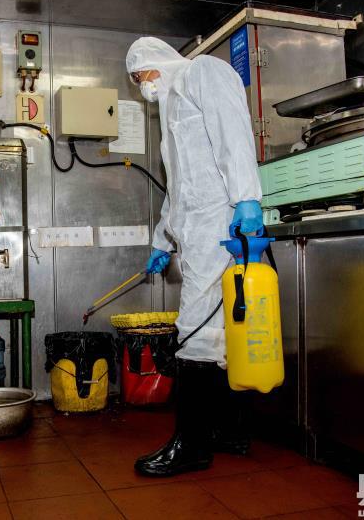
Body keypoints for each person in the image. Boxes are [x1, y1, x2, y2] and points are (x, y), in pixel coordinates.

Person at [126, 38, 264, 477]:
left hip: (220, 225)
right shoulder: (172, 105)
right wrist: (161, 241)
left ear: (154, 63)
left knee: (195, 329)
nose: (141, 86)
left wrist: (247, 199)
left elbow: (233, 136)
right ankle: (227, 431)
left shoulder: (203, 72)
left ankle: (191, 446)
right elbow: (180, 187)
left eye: (140, 76)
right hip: (197, 232)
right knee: (223, 331)